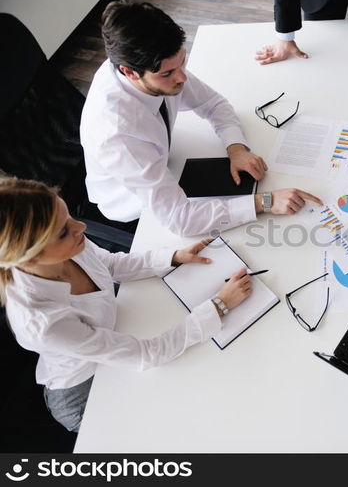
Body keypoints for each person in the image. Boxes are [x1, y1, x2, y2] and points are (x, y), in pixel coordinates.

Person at [0, 177, 253, 432]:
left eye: (68, 217)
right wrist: (218, 306)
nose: (81, 227)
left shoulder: (69, 241)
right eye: (63, 231)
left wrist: (173, 257)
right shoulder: (42, 322)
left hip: (113, 338)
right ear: (28, 258)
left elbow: (109, 265)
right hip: (84, 390)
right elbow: (147, 354)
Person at [81, 0, 321, 237]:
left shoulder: (150, 64)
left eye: (182, 62)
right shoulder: (117, 134)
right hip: (138, 213)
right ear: (129, 73)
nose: (182, 78)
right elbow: (180, 219)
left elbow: (213, 104)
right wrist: (265, 202)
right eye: (168, 73)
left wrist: (236, 148)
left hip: (167, 165)